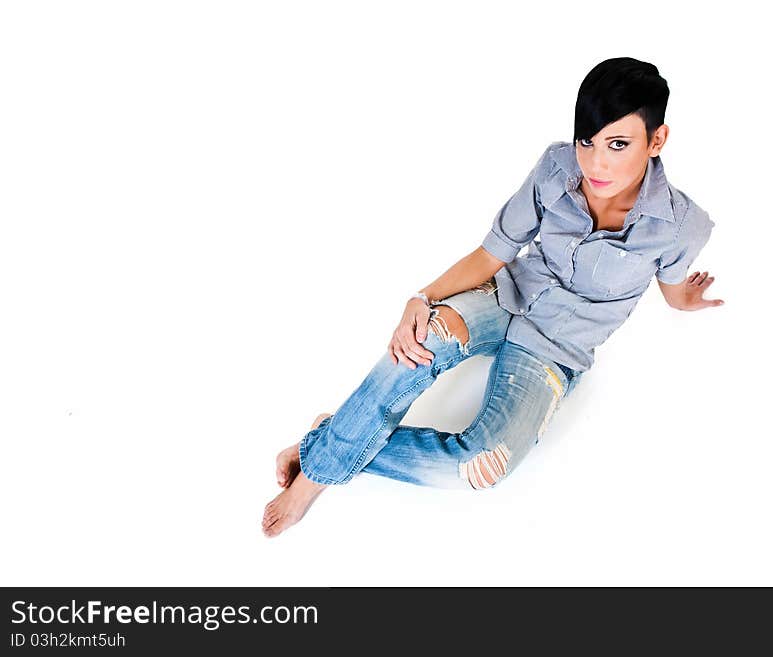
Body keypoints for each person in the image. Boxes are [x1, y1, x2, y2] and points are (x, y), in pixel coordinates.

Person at [262, 56, 724, 537]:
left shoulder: (681, 228)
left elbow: (671, 293)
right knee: (415, 348)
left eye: (618, 144)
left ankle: (328, 440)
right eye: (586, 140)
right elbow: (493, 253)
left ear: (657, 140)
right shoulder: (556, 168)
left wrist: (687, 299)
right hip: (504, 297)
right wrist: (421, 298)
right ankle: (313, 480)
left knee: (481, 465)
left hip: (553, 351)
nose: (596, 163)